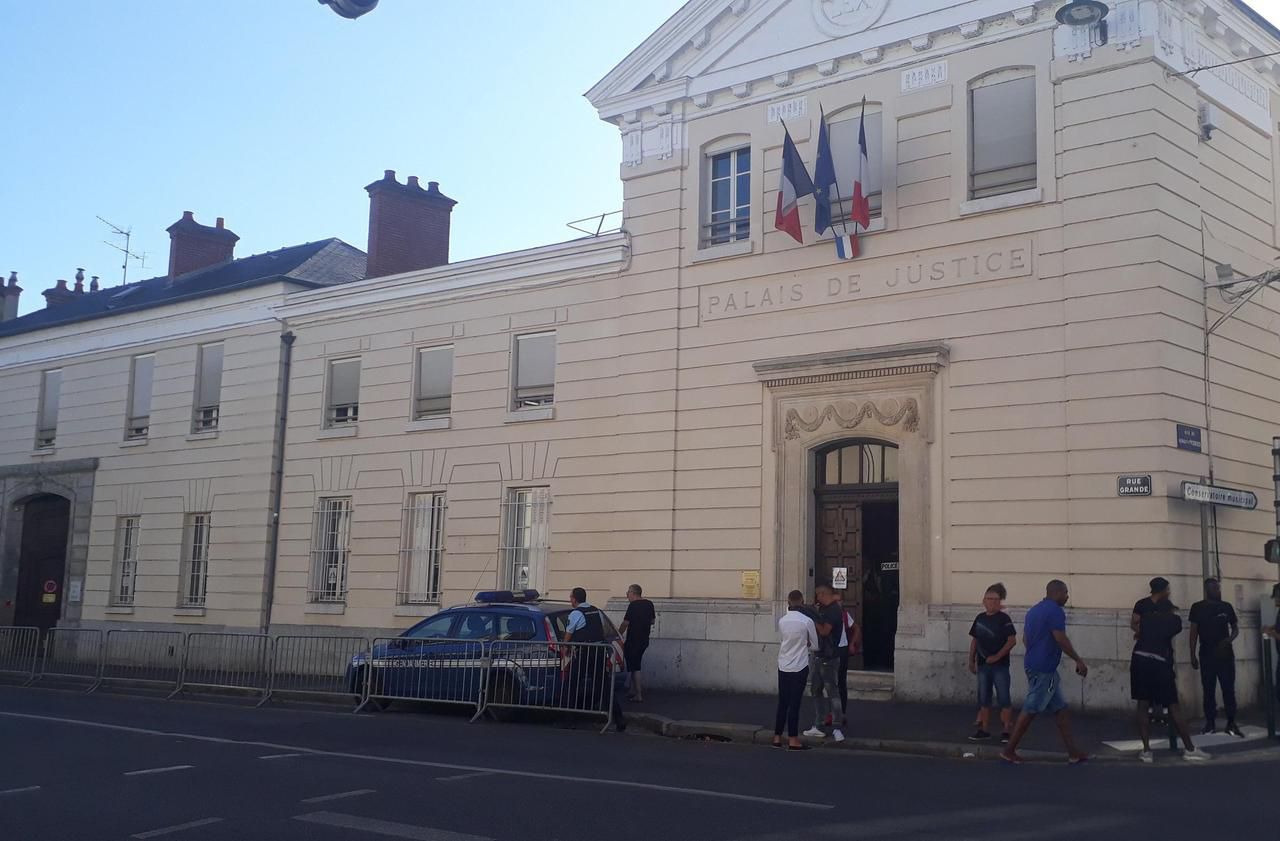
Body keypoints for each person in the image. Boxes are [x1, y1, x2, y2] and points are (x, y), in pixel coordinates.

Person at [1000, 579, 1088, 765]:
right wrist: (1078, 660)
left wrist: (1036, 652)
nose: (1067, 597)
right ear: (1057, 593)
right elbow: (1060, 638)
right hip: (1044, 669)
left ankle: (1073, 752)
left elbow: (1026, 638)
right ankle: (1009, 750)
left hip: (1035, 664)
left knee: (1061, 709)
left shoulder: (1034, 610)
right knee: (1031, 709)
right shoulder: (1055, 612)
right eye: (1065, 593)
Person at [1131, 578, 1209, 762]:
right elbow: (1168, 633)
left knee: (1142, 704)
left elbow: (1138, 629)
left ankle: (1147, 751)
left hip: (1140, 660)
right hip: (1161, 663)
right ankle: (1189, 748)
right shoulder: (1174, 621)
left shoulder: (1146, 616)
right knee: (1173, 706)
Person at [563, 587, 625, 732]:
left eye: (571, 597)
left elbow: (569, 633)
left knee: (572, 685)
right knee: (604, 685)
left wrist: (565, 647)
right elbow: (602, 629)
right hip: (598, 651)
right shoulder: (595, 610)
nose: (570, 600)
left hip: (584, 652)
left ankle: (569, 719)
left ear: (574, 599)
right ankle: (619, 718)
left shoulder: (576, 613)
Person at [1189, 577, 1241, 736]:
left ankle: (1231, 722)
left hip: (1225, 654)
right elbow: (1193, 633)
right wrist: (1192, 654)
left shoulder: (1226, 607)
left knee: (1228, 689)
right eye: (1214, 588)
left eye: (1218, 588)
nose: (1217, 591)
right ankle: (1210, 722)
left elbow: (1235, 628)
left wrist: (1229, 639)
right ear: (1207, 590)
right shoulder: (1197, 607)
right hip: (1207, 653)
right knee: (1208, 689)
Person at [967, 583, 1016, 743]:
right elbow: (975, 640)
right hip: (983, 665)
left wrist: (997, 656)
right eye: (990, 599)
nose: (993, 602)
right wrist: (971, 660)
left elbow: (1011, 641)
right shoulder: (980, 618)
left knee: (1004, 697)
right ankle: (984, 729)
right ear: (984, 601)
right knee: (984, 698)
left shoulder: (1004, 619)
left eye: (996, 600)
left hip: (1000, 666)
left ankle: (1006, 730)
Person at [772, 590, 819, 751]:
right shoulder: (807, 621)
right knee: (795, 704)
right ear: (802, 601)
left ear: (788, 602)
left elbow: (783, 640)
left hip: (783, 664)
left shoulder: (782, 621)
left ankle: (777, 737)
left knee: (783, 702)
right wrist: (805, 644)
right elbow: (815, 645)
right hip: (799, 665)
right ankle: (793, 739)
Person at [802, 583, 845, 742]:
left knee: (832, 692)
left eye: (817, 595)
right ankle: (819, 725)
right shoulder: (827, 609)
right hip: (821, 656)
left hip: (829, 657)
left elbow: (825, 631)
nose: (816, 598)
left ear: (822, 594)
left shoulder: (833, 610)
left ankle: (836, 728)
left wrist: (813, 620)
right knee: (816, 690)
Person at [618, 584, 656, 702]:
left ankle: (638, 694)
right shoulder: (649, 604)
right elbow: (653, 621)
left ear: (633, 593)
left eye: (627, 593)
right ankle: (632, 690)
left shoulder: (633, 606)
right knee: (635, 664)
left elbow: (625, 623)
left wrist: (618, 634)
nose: (627, 595)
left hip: (633, 639)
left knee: (635, 667)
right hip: (644, 639)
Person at [829, 588, 861, 727]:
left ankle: (841, 713)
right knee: (831, 684)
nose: (837, 604)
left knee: (840, 683)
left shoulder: (844, 616)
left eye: (839, 601)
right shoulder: (828, 615)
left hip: (841, 652)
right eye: (834, 601)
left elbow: (856, 628)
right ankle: (833, 713)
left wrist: (853, 643)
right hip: (830, 653)